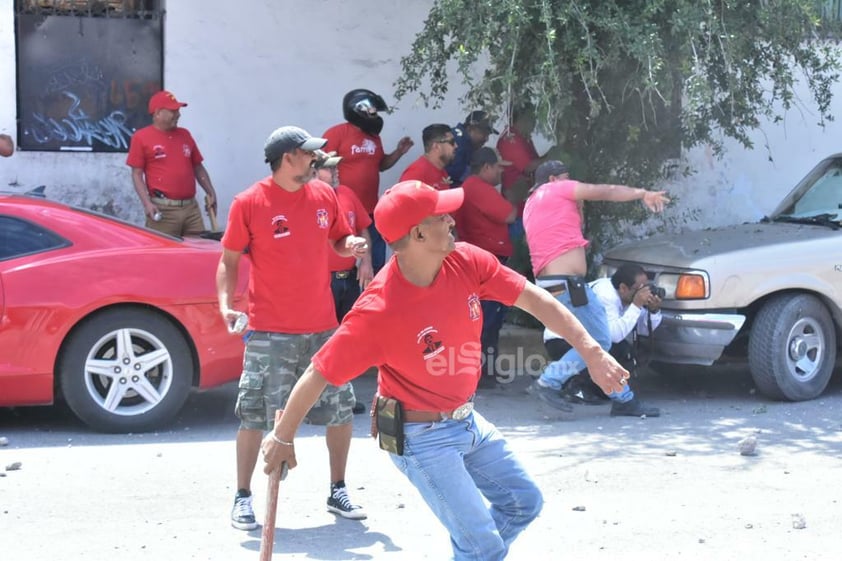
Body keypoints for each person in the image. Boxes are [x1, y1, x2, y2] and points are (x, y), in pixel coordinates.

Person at [259, 180, 631, 561]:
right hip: (418, 435)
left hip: (466, 420)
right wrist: (283, 437)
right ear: (418, 233)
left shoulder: (466, 260)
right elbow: (318, 372)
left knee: (522, 504)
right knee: (482, 545)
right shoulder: (378, 311)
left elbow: (531, 297)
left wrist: (591, 352)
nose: (452, 220)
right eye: (441, 216)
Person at [216, 126, 369, 530]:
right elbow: (228, 261)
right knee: (254, 415)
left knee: (340, 410)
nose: (316, 159)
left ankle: (338, 489)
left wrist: (350, 244)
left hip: (323, 328)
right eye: (309, 154)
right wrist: (226, 307)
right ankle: (243, 496)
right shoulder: (249, 202)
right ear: (289, 158)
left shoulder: (324, 195)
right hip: (270, 332)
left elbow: (337, 239)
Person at [523, 159, 670, 416]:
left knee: (591, 341)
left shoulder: (532, 203)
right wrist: (642, 194)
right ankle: (550, 381)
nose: (572, 184)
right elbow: (606, 191)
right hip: (568, 285)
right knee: (599, 340)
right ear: (553, 180)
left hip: (555, 284)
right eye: (567, 178)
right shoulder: (555, 190)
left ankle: (623, 398)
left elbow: (567, 233)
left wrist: (577, 208)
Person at [544, 263, 663, 406]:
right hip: (561, 341)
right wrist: (637, 305)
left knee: (625, 354)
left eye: (646, 287)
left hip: (584, 340)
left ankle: (582, 383)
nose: (644, 293)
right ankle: (573, 384)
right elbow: (614, 336)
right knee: (616, 350)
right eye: (640, 289)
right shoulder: (605, 294)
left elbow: (644, 330)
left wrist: (653, 311)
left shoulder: (626, 296)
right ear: (623, 288)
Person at [323, 88, 414, 273]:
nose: (375, 117)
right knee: (345, 259)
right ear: (359, 109)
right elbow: (321, 167)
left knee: (375, 262)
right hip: (344, 211)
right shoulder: (336, 133)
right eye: (373, 112)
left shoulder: (374, 137)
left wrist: (398, 152)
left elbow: (380, 165)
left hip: (371, 211)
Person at [455, 147, 516, 388]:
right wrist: (514, 195)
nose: (502, 172)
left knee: (490, 318)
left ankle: (487, 370)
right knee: (487, 319)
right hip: (487, 261)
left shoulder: (474, 187)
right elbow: (509, 215)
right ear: (487, 167)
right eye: (499, 167)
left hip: (486, 260)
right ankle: (480, 373)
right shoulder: (477, 187)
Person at [317, 165, 374, 415]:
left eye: (336, 166)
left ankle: (341, 395)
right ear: (315, 170)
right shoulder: (310, 198)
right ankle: (316, 397)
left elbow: (363, 228)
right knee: (322, 339)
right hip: (321, 280)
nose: (336, 171)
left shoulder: (347, 194)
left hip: (348, 278)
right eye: (329, 168)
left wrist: (367, 261)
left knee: (346, 338)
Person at [126, 90, 218, 237]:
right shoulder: (141, 138)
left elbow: (198, 167)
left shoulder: (185, 134)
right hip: (163, 209)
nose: (178, 114)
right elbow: (136, 174)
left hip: (191, 209)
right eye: (173, 111)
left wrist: (210, 192)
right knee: (163, 255)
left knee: (196, 252)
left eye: (178, 110)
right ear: (157, 113)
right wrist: (147, 204)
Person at [445, 110, 498, 187]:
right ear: (470, 129)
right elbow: (455, 177)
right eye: (484, 133)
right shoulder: (459, 143)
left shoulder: (467, 142)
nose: (486, 139)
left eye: (488, 135)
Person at [398, 124, 455, 190]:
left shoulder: (441, 170)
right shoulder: (415, 174)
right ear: (436, 146)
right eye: (452, 142)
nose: (456, 146)